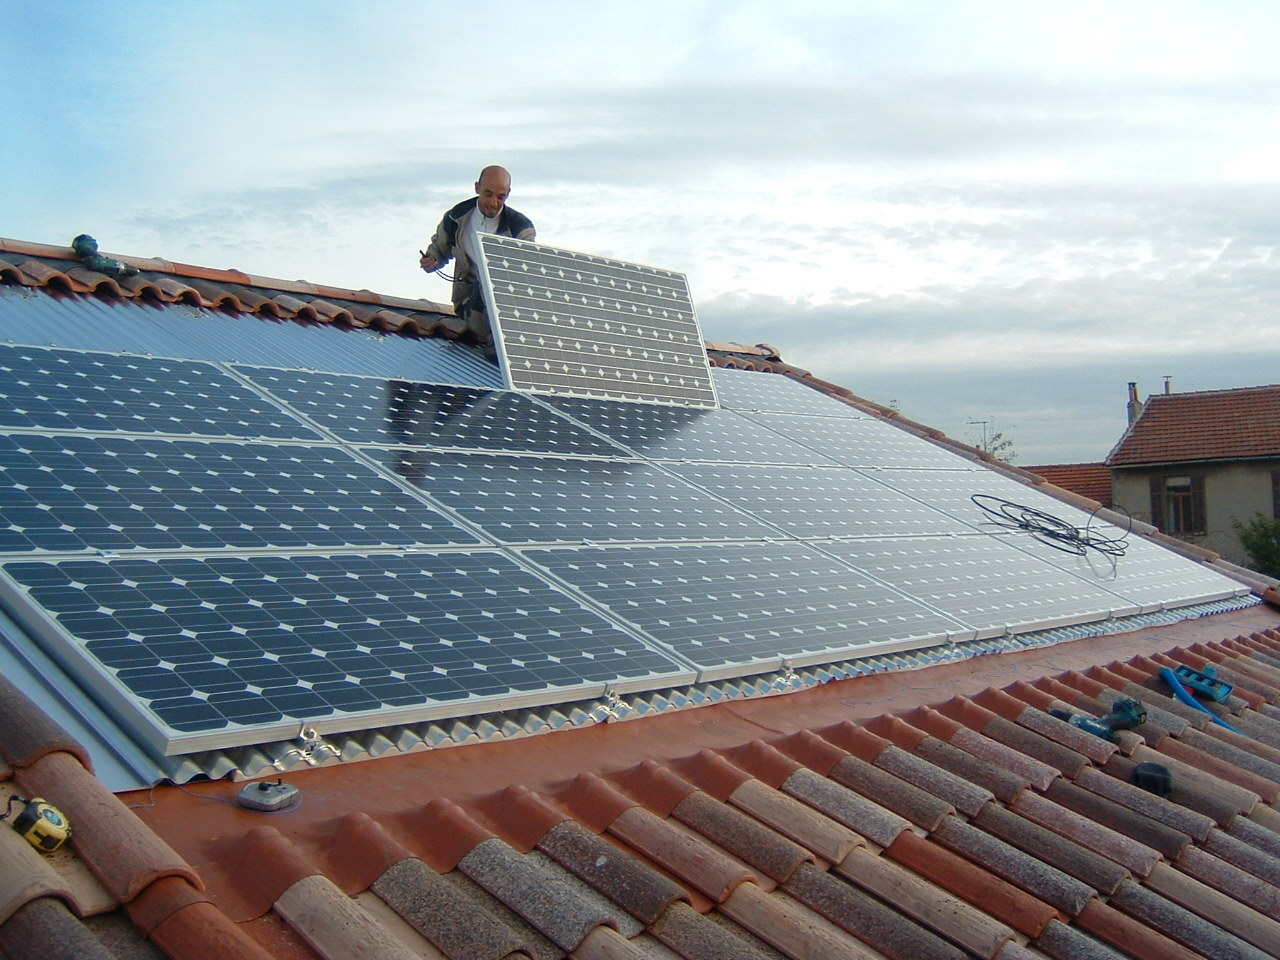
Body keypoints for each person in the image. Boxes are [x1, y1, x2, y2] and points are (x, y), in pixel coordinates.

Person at [419, 165, 535, 350]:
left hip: (507, 307)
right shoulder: (456, 218)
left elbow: (526, 272)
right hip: (470, 303)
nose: (494, 202)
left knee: (493, 279)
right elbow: (440, 248)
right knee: (485, 281)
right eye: (488, 194)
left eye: (500, 197)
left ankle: (505, 342)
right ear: (477, 188)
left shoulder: (521, 229)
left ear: (508, 194)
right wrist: (433, 259)